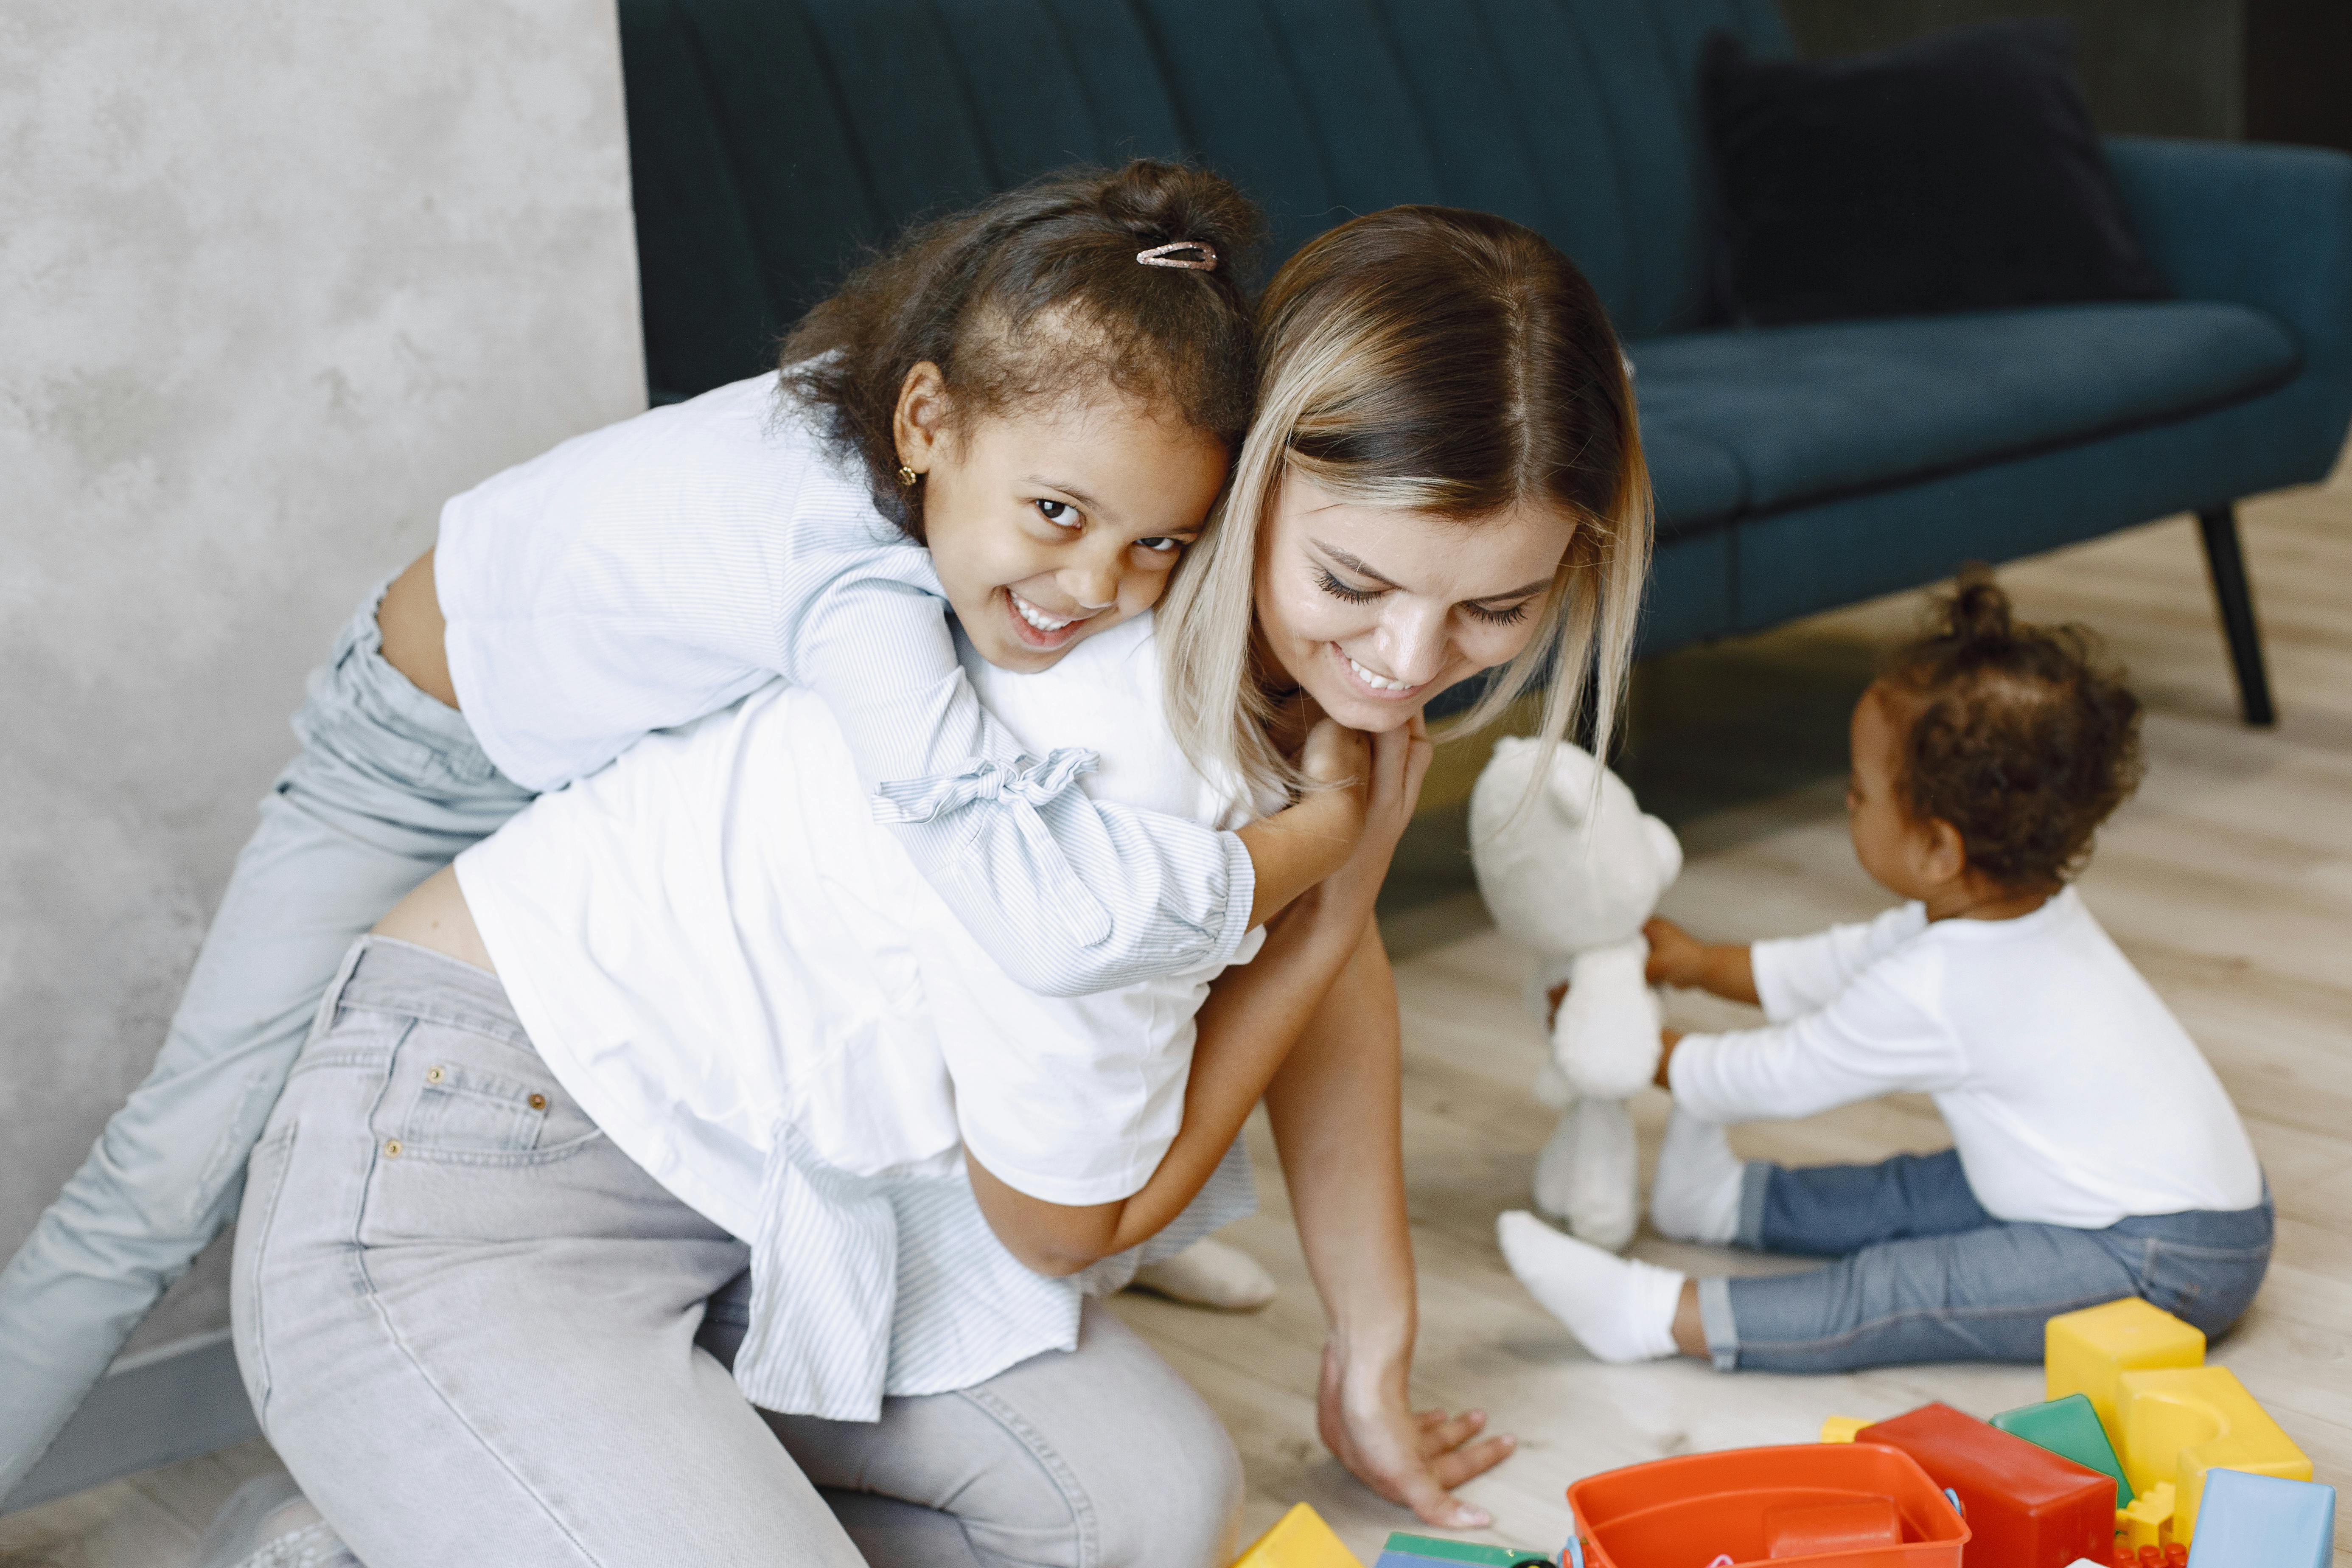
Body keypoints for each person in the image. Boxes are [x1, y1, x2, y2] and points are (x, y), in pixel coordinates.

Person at [211, 202, 1655, 1566]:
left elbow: (1326, 981)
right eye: (1357, 583)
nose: (1408, 662)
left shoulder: (1277, 666)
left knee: (1139, 1512)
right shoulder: (1121, 743)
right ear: (1252, 473)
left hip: (780, 1211)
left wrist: (1373, 1348)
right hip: (474, 1155)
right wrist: (1336, 891)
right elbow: (1062, 1225)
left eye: (1494, 608)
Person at [0, 161, 1361, 1494]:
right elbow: (1048, 916)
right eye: (1060, 515)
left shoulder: (959, 436)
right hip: (422, 760)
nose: (1097, 587)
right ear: (924, 421)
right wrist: (1326, 837)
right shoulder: (851, 576)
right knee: (167, 1176)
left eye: (1161, 546)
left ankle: (1068, 1183)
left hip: (627, 743)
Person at [1498, 574, 2272, 1373]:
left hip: (2163, 1263)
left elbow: (1781, 1075)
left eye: (1860, 792)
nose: (1847, 803)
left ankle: (1655, 1316)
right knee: (1920, 1190)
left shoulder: (1945, 986)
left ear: (1940, 849)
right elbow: (1833, 964)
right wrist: (1701, 965)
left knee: (1905, 1287)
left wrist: (1635, 1047)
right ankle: (1728, 1206)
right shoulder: (2015, 915)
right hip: (2175, 1209)